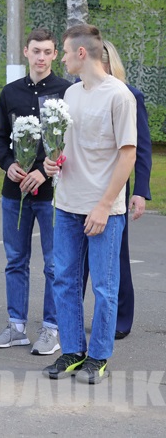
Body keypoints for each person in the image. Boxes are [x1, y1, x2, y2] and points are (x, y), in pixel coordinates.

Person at [42, 24, 136, 384]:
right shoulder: (70, 94)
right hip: (66, 204)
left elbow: (127, 155)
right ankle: (72, 351)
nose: (61, 58)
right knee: (64, 281)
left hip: (103, 211)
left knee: (104, 288)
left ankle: (98, 356)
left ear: (82, 53)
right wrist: (53, 161)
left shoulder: (119, 95)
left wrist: (104, 205)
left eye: (65, 52)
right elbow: (67, 147)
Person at [0, 28, 71, 355]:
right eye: (36, 51)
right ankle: (16, 327)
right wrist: (8, 164)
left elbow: (70, 142)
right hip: (15, 192)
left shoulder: (67, 91)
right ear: (26, 52)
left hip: (52, 193)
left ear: (55, 55)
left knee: (54, 265)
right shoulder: (11, 92)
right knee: (15, 260)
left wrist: (44, 170)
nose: (41, 57)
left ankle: (51, 329)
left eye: (47, 52)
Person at [80, 40, 151, 340]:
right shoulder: (78, 93)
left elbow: (141, 148)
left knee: (115, 256)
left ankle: (120, 319)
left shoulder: (128, 95)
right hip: (81, 185)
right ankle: (66, 316)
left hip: (115, 187)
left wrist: (140, 190)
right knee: (76, 256)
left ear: (109, 63)